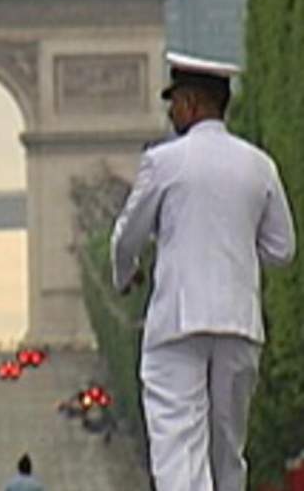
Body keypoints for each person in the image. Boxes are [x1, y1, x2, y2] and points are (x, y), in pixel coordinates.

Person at [112, 52, 296, 491]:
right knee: (227, 453)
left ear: (191, 104)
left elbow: (126, 238)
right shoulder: (260, 164)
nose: (170, 112)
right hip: (238, 324)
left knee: (179, 448)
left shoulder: (164, 161)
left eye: (173, 103)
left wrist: (126, 275)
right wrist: (233, 250)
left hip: (178, 322)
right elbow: (282, 250)